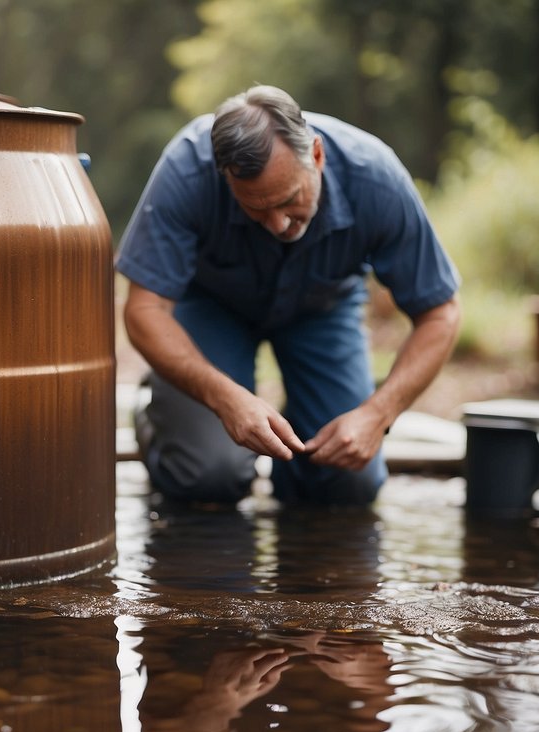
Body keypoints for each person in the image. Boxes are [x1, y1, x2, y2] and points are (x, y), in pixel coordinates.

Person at [116, 85, 462, 506]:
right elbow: (143, 310)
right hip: (208, 308)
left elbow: (441, 313)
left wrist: (378, 413)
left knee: (347, 483)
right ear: (225, 177)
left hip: (323, 309)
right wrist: (224, 398)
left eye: (289, 200)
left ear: (316, 156)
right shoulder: (186, 169)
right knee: (209, 476)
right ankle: (160, 417)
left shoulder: (375, 176)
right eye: (257, 209)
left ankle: (296, 465)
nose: (278, 224)